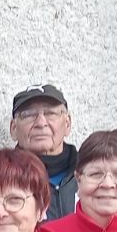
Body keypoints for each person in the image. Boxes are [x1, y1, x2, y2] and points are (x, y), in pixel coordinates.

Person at [10, 83, 79, 220]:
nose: (41, 123)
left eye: (50, 113)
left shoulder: (91, 173)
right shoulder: (0, 179)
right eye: (29, 114)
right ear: (13, 128)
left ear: (67, 124)